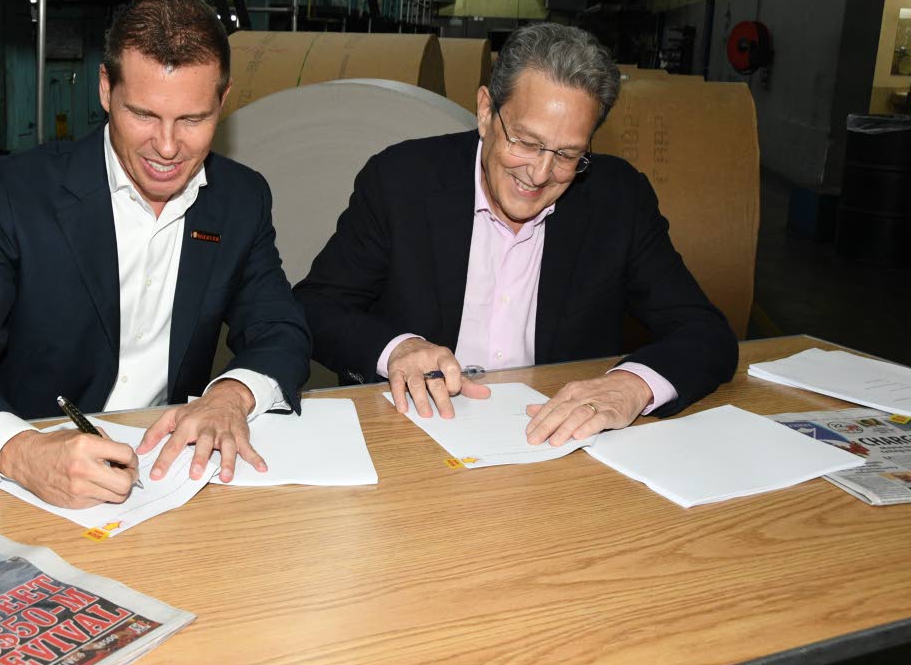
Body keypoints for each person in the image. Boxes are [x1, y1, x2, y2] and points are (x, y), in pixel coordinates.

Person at [0, 0, 311, 509]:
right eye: (143, 115)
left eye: (192, 120)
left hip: (168, 481)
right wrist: (22, 453)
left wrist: (229, 397)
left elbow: (282, 330)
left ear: (223, 101)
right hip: (27, 482)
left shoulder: (240, 199)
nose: (167, 148)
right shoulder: (11, 193)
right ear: (105, 89)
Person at [293, 22, 737, 445]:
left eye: (567, 155)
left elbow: (705, 331)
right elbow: (316, 306)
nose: (540, 174)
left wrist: (632, 385)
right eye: (525, 141)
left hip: (556, 443)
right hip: (414, 434)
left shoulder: (619, 200)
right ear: (486, 111)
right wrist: (396, 349)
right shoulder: (400, 181)